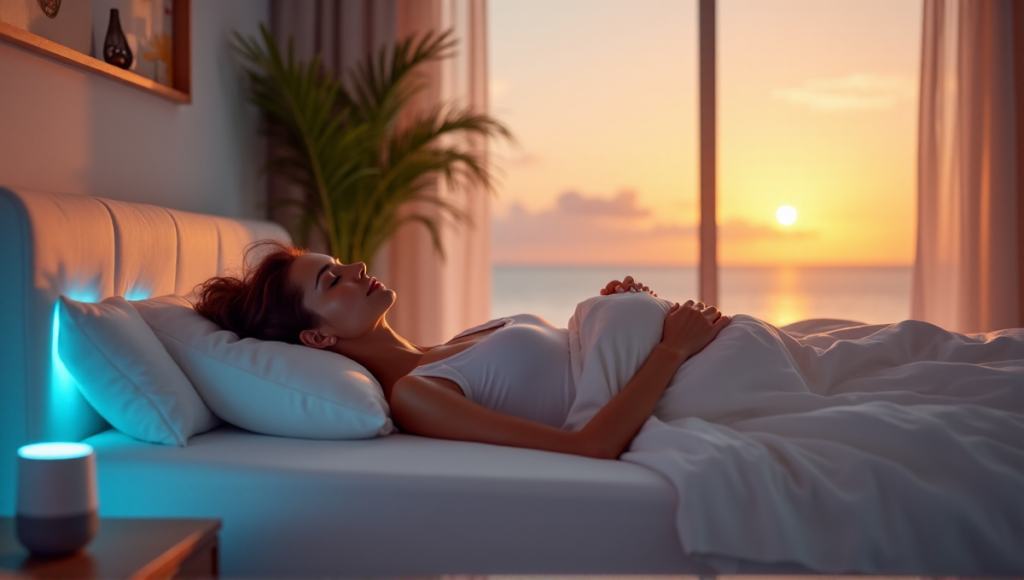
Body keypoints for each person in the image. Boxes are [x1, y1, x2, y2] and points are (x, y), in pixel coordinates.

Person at [195, 241, 731, 459]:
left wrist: (621, 310)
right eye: (333, 281)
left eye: (342, 264)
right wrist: (668, 350)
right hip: (691, 380)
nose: (357, 269)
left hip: (708, 354)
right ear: (316, 338)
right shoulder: (417, 395)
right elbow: (590, 447)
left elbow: (568, 363)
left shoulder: (448, 346)